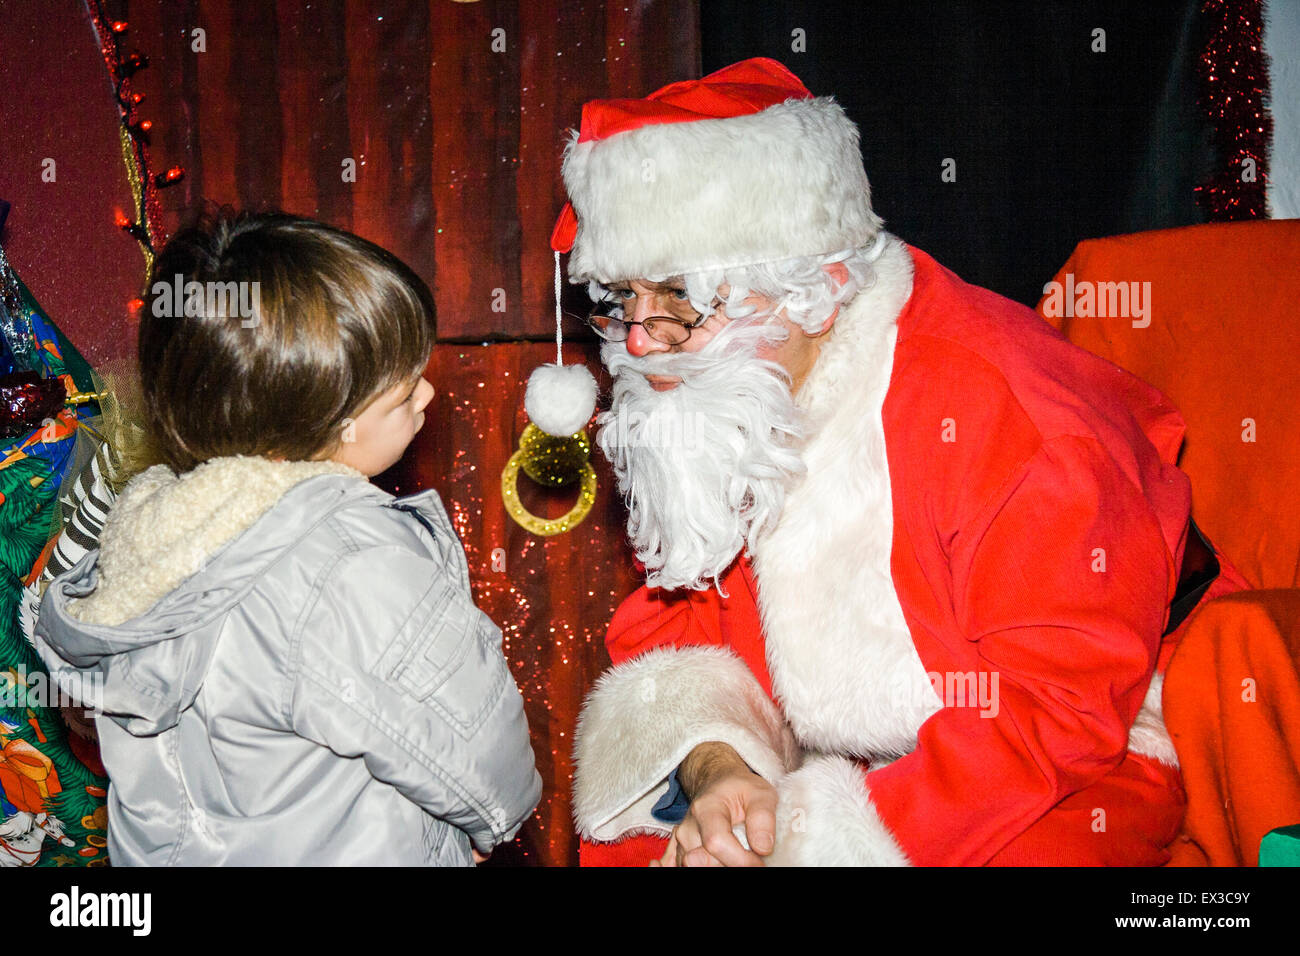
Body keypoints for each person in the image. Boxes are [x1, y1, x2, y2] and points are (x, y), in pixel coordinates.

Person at [560, 57, 1249, 866]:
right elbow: (677, 639)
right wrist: (718, 773)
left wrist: (816, 841)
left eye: (678, 298)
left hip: (1073, 754)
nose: (640, 343)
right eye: (621, 300)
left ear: (803, 282)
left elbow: (1059, 707)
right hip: (837, 757)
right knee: (655, 846)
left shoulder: (1009, 407)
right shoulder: (720, 396)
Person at [32, 209, 541, 865]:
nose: (428, 395)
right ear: (321, 424)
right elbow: (463, 735)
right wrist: (495, 821)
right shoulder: (349, 557)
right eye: (401, 392)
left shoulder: (150, 537)